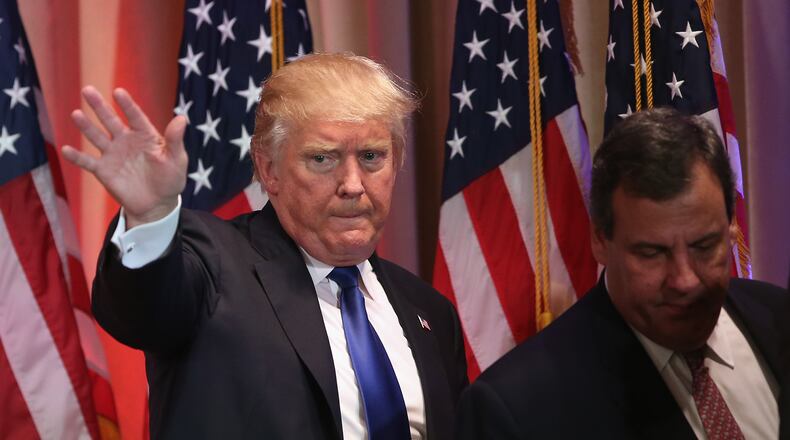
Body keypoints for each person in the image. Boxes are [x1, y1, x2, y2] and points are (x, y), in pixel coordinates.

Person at [62, 53, 467, 439]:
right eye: (323, 158)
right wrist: (150, 217)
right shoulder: (212, 265)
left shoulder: (431, 313)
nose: (353, 185)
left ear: (396, 162)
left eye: (372, 156)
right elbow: (140, 313)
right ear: (269, 169)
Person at [456, 108, 790, 439]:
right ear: (600, 239)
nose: (685, 279)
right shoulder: (517, 409)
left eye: (704, 246)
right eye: (652, 253)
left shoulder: (778, 319)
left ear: (731, 226)